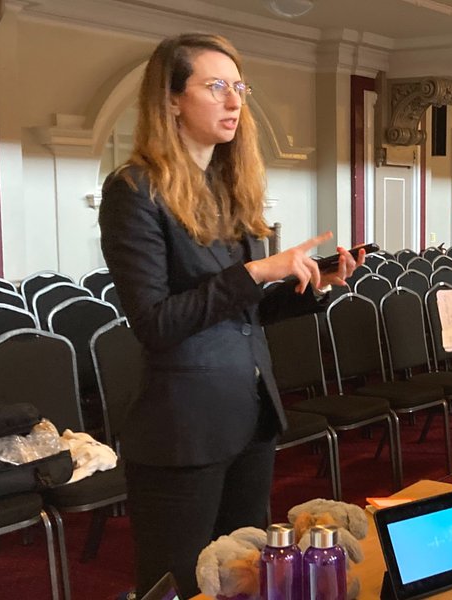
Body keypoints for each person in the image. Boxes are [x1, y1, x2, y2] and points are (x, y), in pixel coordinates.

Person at [98, 34, 363, 597]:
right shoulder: (134, 191)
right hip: (183, 429)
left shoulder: (227, 189)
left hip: (250, 415)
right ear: (171, 100)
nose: (234, 100)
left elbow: (245, 313)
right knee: (182, 583)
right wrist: (257, 271)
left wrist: (309, 286)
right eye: (215, 86)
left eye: (240, 87)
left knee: (245, 577)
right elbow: (155, 323)